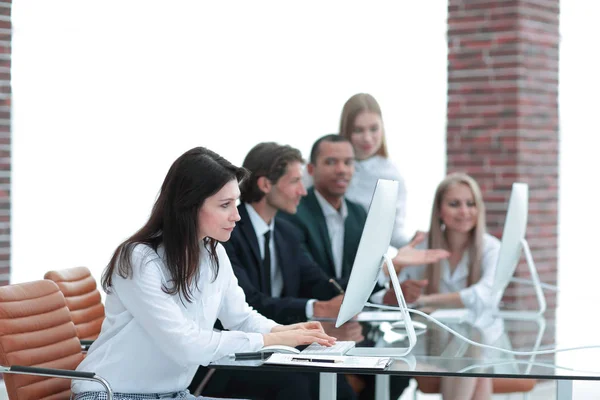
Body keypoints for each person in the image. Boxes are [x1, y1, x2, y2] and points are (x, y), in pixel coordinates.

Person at [71, 147, 336, 400]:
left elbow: (240, 317)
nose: (237, 216)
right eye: (225, 205)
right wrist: (272, 339)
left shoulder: (213, 253)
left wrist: (286, 330)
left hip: (173, 394)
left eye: (236, 203)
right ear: (190, 205)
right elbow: (185, 344)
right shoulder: (139, 259)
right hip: (111, 393)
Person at [279, 135, 450, 400]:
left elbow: (360, 280)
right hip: (312, 328)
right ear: (310, 170)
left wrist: (386, 295)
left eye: (348, 162)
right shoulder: (293, 214)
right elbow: (320, 284)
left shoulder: (359, 213)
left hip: (355, 330)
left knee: (398, 372)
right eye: (331, 162)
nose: (342, 169)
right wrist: (386, 267)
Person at [393, 173, 501, 400]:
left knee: (472, 348)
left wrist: (426, 300)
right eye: (454, 204)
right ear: (439, 210)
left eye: (470, 204)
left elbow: (485, 297)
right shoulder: (422, 246)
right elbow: (398, 295)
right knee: (475, 362)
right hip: (430, 343)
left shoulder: (491, 248)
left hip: (477, 340)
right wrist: (400, 279)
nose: (464, 211)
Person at [338, 93, 412, 248]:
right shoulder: (324, 166)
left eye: (374, 129)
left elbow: (394, 234)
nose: (367, 138)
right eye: (358, 130)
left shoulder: (391, 176)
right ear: (346, 130)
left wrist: (419, 243)